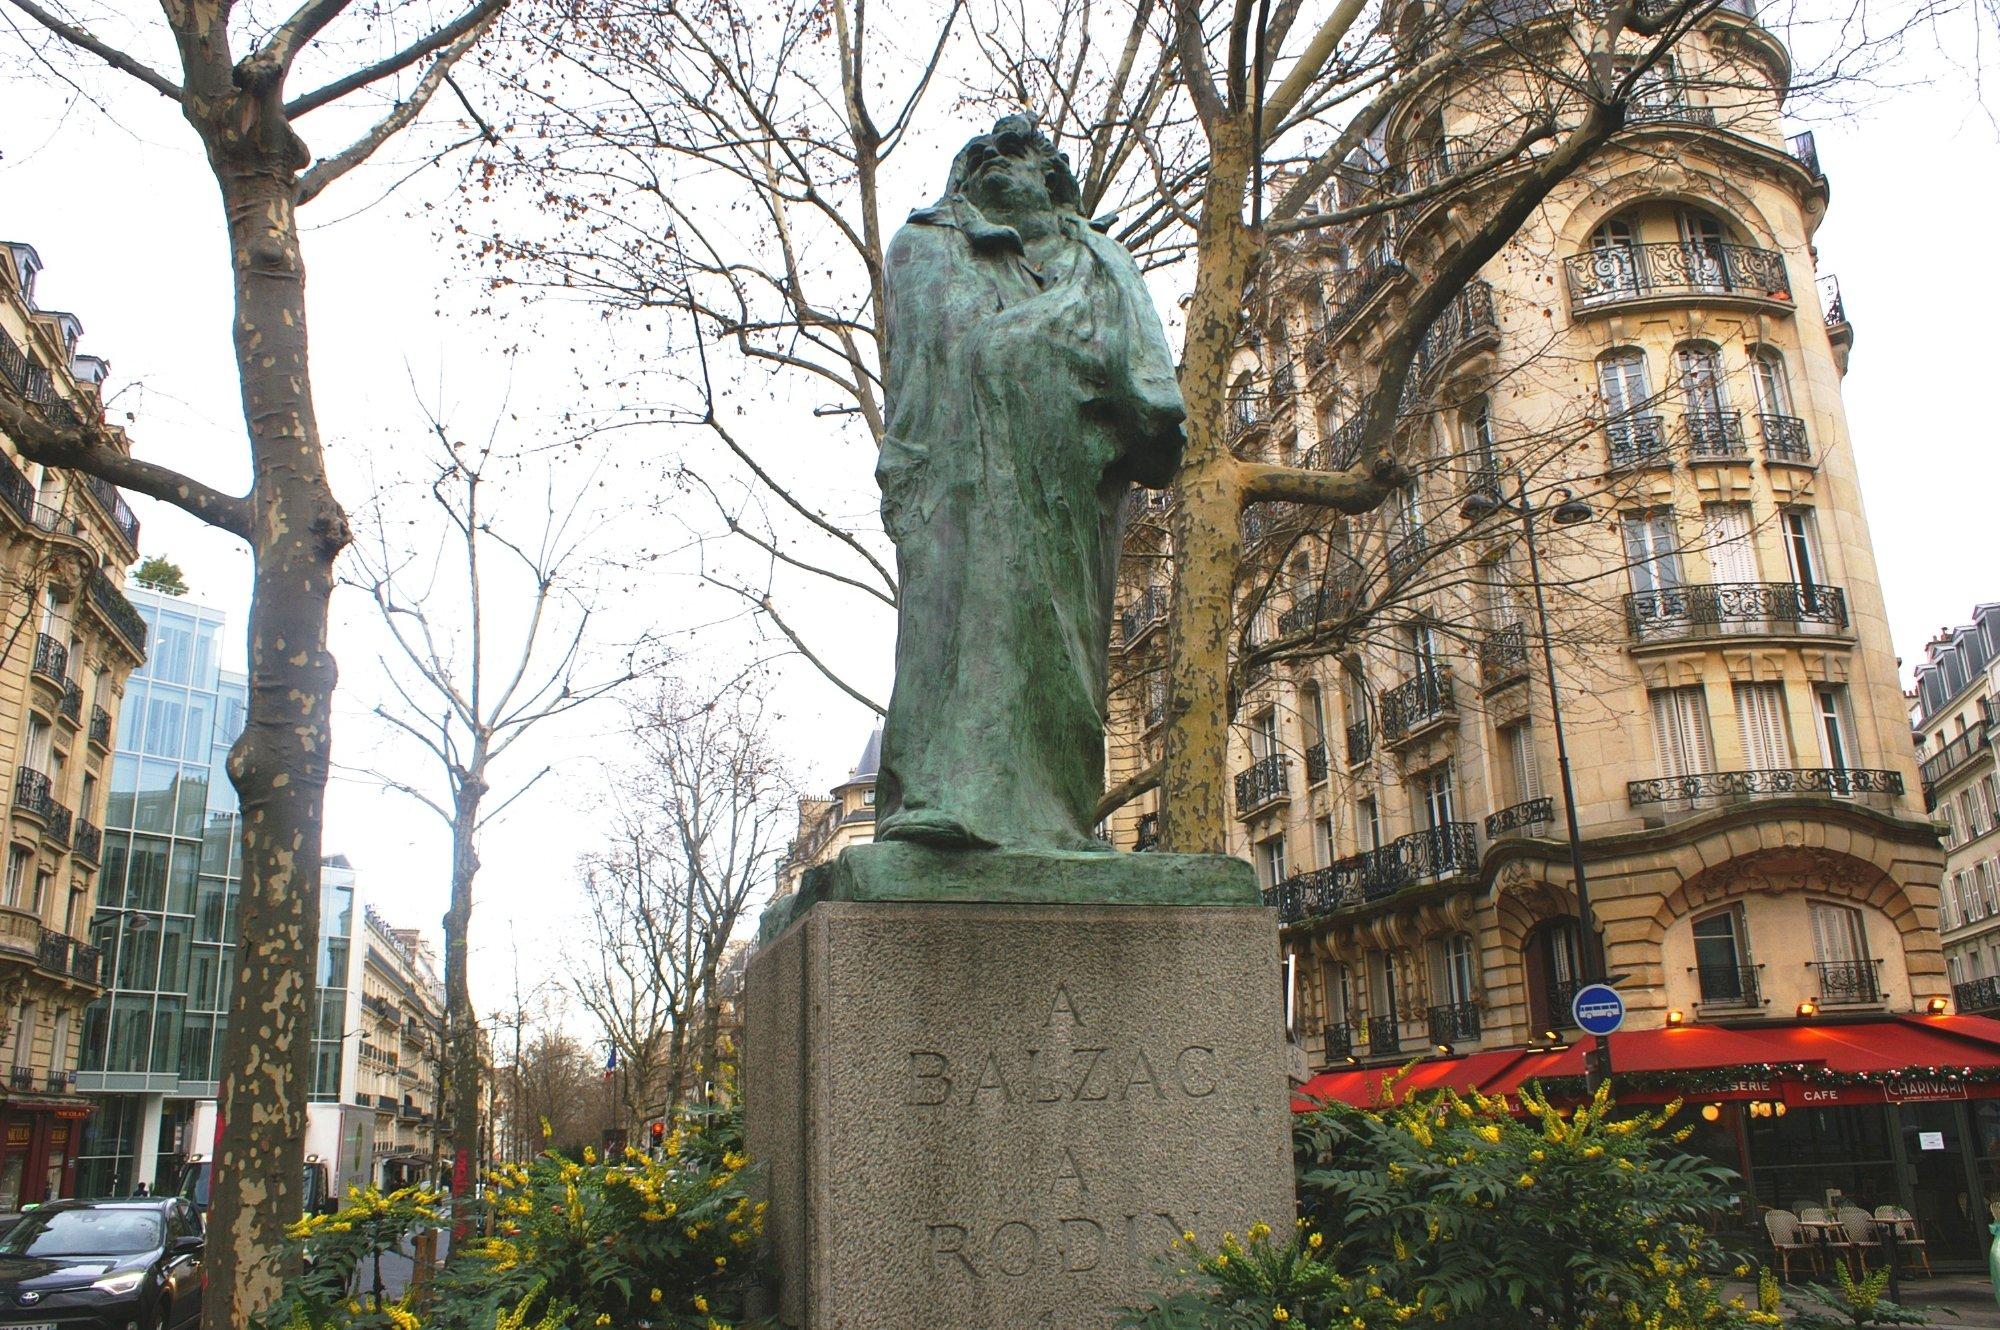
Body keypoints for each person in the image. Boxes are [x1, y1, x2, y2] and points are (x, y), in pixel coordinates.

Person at [874, 115, 1184, 852]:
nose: (991, 163)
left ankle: (1046, 819)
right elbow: (916, 370)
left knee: (1061, 647)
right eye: (977, 159)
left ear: (1049, 177)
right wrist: (907, 471)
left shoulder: (1099, 261)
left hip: (1069, 482)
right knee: (944, 629)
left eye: (1010, 155)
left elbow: (1149, 399)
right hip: (955, 478)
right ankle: (942, 793)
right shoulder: (926, 245)